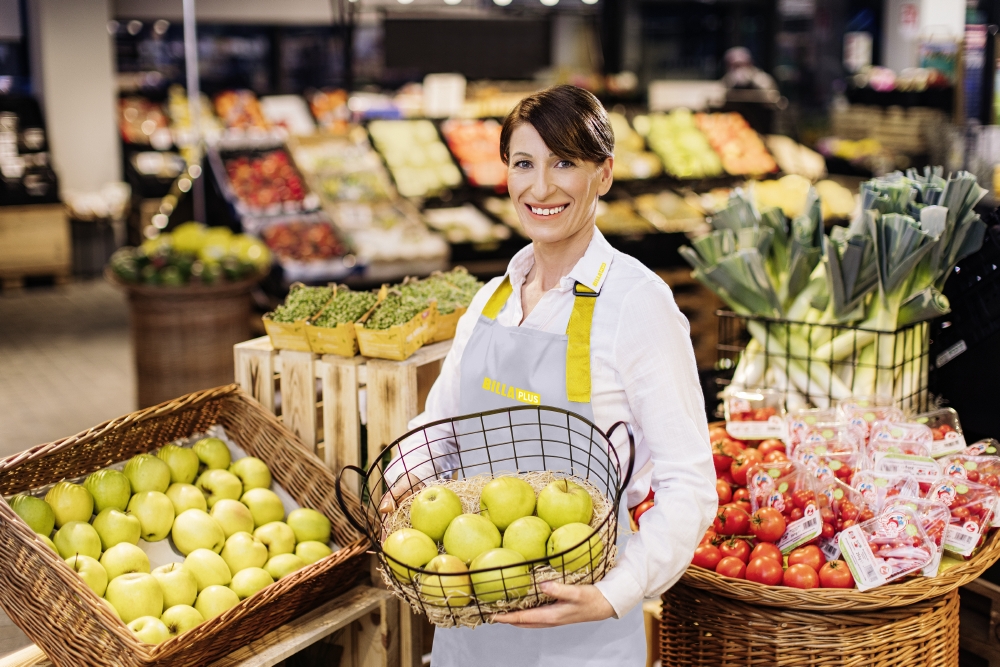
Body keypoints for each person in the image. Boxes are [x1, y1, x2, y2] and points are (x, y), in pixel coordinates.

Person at [380, 85, 717, 667]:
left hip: (581, 639)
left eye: (564, 163)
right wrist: (403, 482)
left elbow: (689, 482)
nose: (540, 188)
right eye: (523, 164)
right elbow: (440, 427)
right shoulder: (489, 302)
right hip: (471, 623)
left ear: (603, 174)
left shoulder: (637, 303)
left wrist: (616, 592)